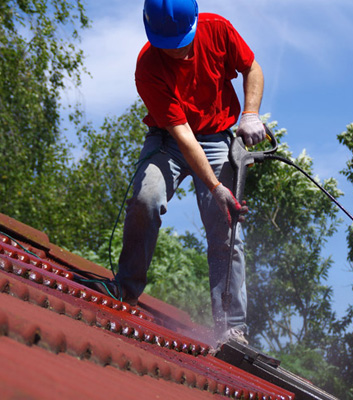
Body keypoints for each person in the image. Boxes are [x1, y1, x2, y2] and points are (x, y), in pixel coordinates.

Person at [113, 0, 266, 345]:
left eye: (183, 43)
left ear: (195, 25)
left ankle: (231, 327)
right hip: (169, 139)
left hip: (216, 135)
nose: (178, 53)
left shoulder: (218, 29)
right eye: (169, 47)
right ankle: (126, 290)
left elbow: (251, 67)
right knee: (146, 197)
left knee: (226, 228)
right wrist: (215, 186)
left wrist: (250, 114)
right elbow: (183, 136)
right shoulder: (148, 67)